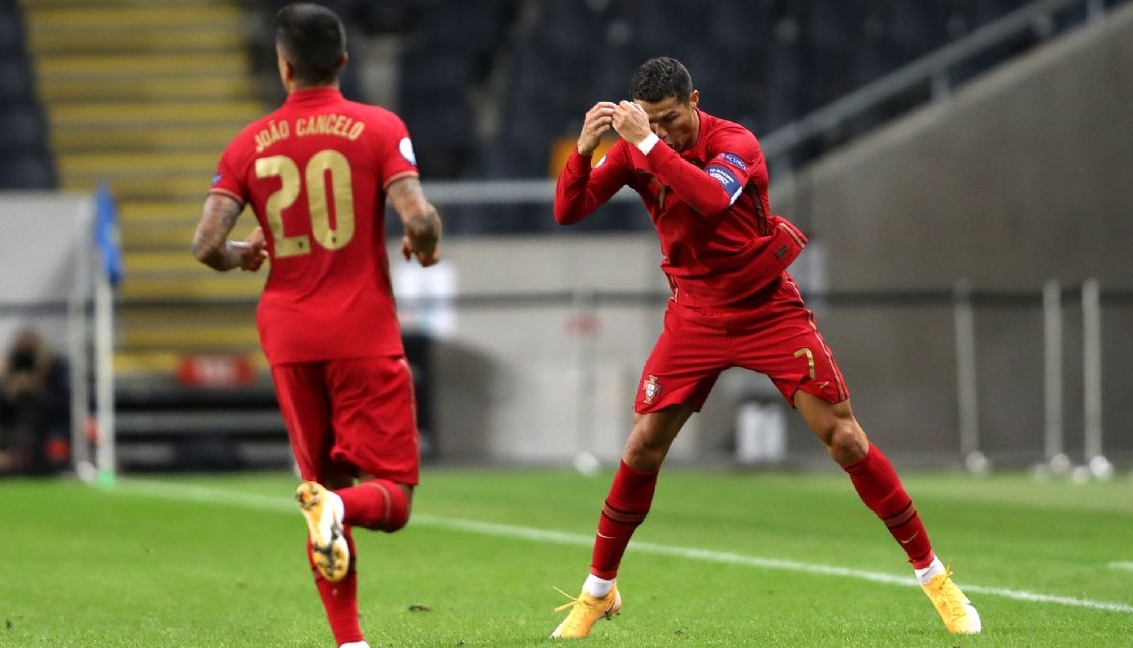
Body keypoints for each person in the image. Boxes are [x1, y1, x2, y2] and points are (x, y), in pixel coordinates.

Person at [548, 57, 980, 639]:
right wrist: (583, 152)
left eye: (671, 118)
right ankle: (598, 591)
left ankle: (935, 578)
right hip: (695, 315)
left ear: (694, 101)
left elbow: (709, 199)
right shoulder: (634, 147)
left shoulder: (736, 144)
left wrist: (645, 142)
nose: (663, 131)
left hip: (765, 308)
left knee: (845, 438)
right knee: (643, 445)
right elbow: (567, 210)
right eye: (651, 121)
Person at [191, 4, 441, 647]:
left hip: (288, 335)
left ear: (284, 66)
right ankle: (338, 508)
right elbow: (418, 216)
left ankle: (349, 641)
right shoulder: (379, 127)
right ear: (343, 61)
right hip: (361, 330)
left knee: (322, 486)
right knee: (391, 499)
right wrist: (425, 245)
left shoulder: (248, 144)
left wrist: (242, 255)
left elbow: (206, 244)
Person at [0, 327, 70, 476]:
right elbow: (1, 411)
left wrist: (35, 387)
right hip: (16, 425)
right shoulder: (10, 368)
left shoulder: (52, 367)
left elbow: (59, 405)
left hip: (46, 424)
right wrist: (7, 384)